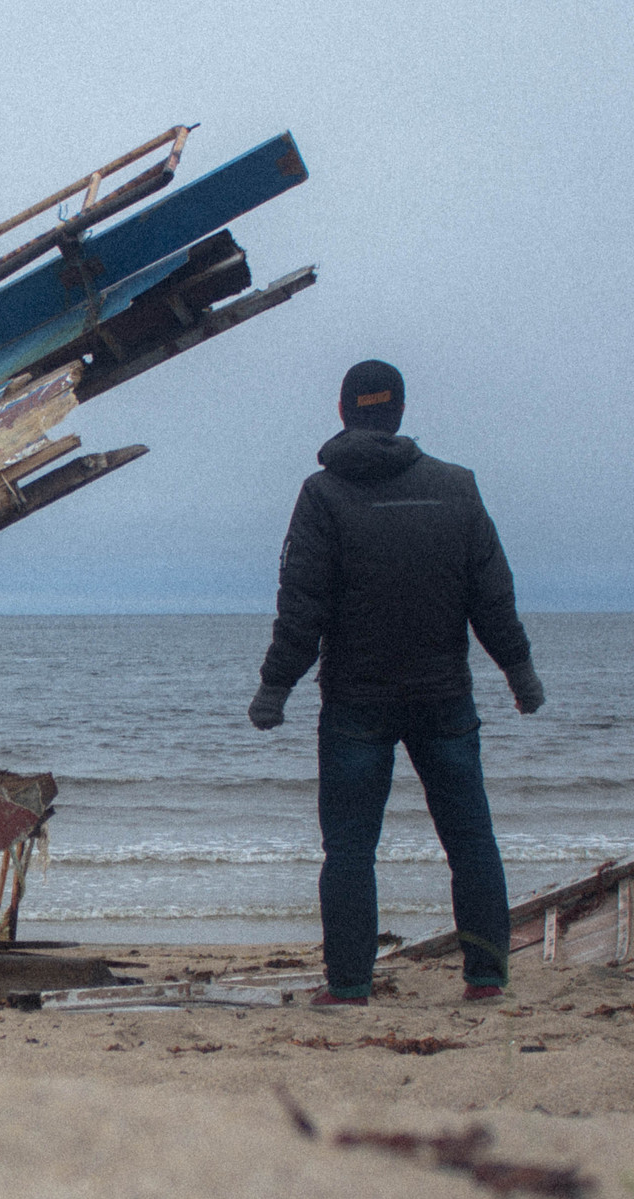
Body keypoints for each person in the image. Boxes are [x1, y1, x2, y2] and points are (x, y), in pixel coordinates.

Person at [247, 360, 544, 1006]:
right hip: (444, 699)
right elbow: (492, 596)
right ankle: (487, 978)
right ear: (399, 413)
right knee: (469, 840)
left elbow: (303, 606)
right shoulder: (457, 487)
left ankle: (350, 985)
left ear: (344, 411)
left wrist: (276, 687)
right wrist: (519, 672)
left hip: (357, 702)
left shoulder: (322, 495)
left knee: (350, 849)